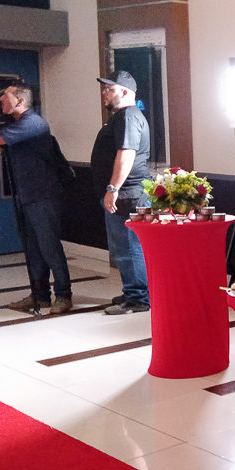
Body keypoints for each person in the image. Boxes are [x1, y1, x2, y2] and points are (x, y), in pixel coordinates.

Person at [0, 84, 73, 313]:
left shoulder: (33, 124)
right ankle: (40, 296)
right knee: (33, 249)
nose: (1, 99)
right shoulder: (17, 125)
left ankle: (64, 296)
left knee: (49, 247)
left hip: (44, 195)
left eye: (6, 96)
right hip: (28, 195)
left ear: (21, 101)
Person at [90, 70, 151, 315]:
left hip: (128, 194)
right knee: (123, 248)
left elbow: (126, 155)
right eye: (104, 89)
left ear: (125, 92)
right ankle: (132, 292)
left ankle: (138, 299)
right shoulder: (123, 117)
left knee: (128, 248)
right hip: (126, 193)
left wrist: (112, 188)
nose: (104, 93)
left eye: (109, 89)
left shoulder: (128, 117)